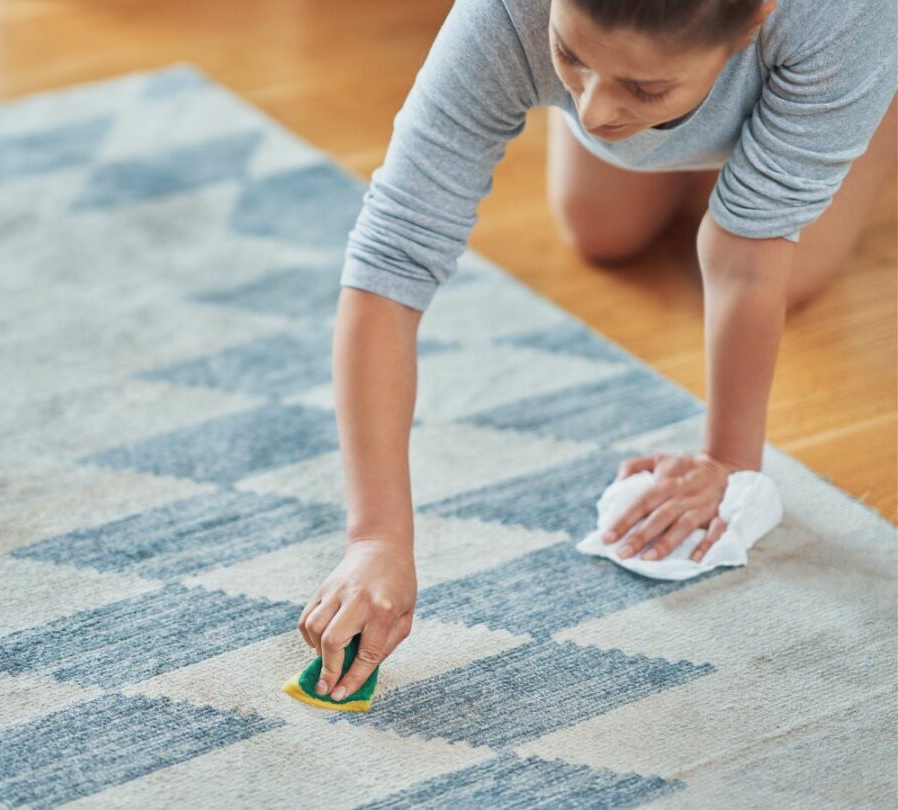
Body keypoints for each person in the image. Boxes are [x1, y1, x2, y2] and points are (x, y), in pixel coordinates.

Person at [296, 0, 898, 704]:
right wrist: (377, 540)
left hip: (824, 54)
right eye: (571, 57)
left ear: (751, 23)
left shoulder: (842, 19)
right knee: (602, 233)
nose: (594, 112)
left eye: (640, 88)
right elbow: (394, 255)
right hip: (675, 54)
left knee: (798, 268)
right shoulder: (506, 15)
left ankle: (825, 109)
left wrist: (728, 462)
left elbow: (744, 257)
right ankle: (677, 105)